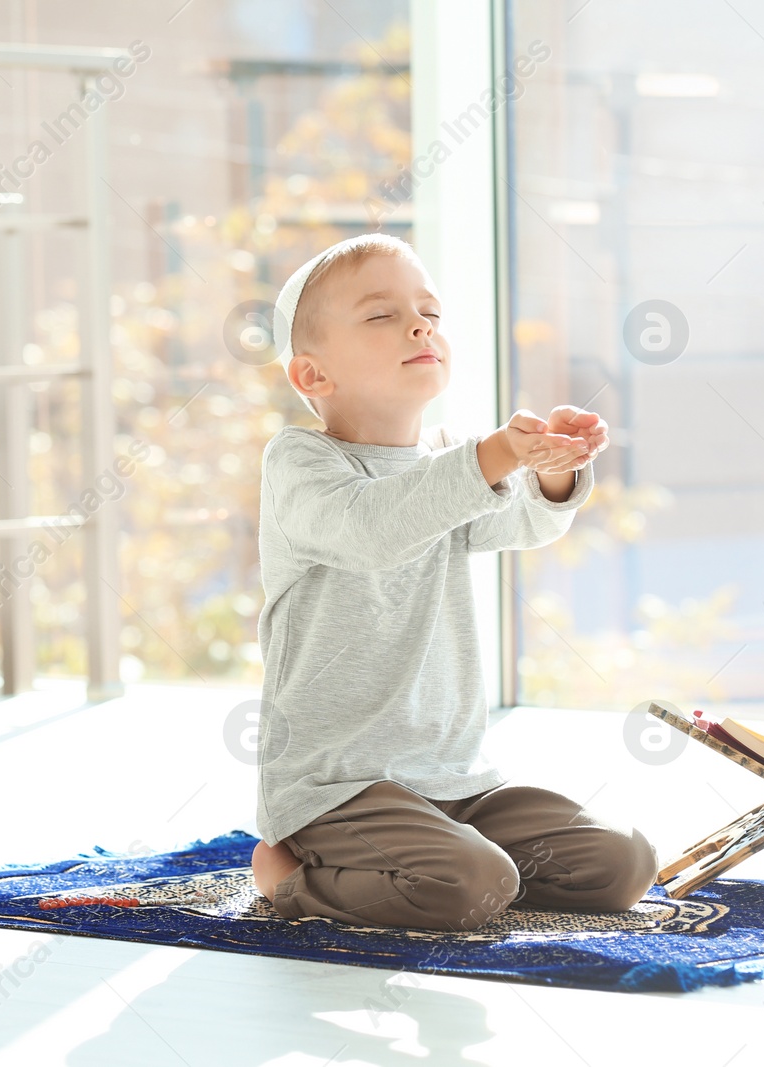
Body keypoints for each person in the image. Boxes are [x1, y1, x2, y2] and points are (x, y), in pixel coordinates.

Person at [247, 232, 658, 932]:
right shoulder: (300, 464)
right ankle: (290, 878)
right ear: (313, 376)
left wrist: (550, 468)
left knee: (623, 862)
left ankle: (442, 864)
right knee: (471, 883)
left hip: (454, 779)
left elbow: (521, 522)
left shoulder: (444, 460)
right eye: (381, 315)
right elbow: (374, 527)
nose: (419, 325)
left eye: (429, 313)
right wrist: (498, 454)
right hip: (337, 785)